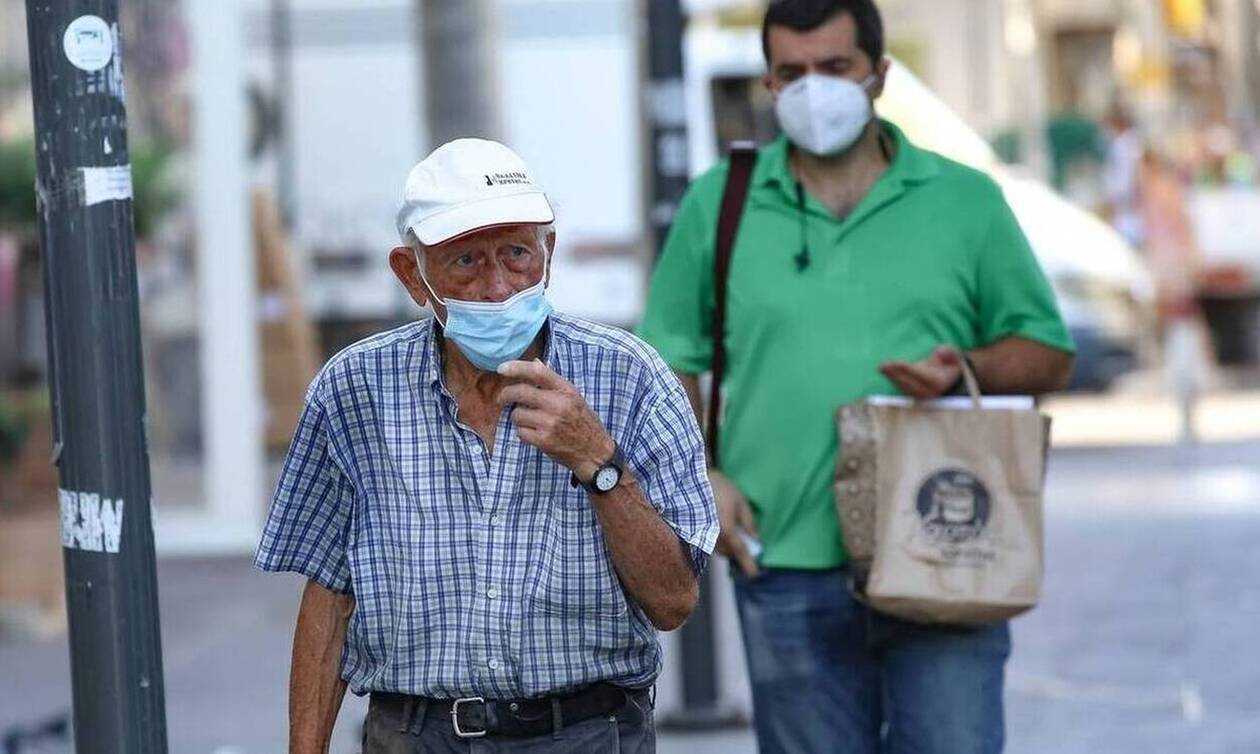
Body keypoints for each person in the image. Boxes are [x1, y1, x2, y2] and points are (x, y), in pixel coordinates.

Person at [637, 1, 1076, 752]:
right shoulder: (721, 202)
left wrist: (965, 370)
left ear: (879, 74)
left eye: (836, 67)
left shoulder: (964, 200)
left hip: (946, 549)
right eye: (793, 72)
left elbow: (1048, 353)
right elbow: (664, 360)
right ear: (769, 83)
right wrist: (700, 474)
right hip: (782, 560)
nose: (815, 88)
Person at [255, 138, 718, 753]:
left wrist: (597, 462)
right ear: (413, 275)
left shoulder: (631, 377)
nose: (498, 286)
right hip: (415, 735)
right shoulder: (354, 389)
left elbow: (674, 602)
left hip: (585, 732)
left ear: (549, 254)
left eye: (517, 254)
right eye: (467, 261)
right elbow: (327, 596)